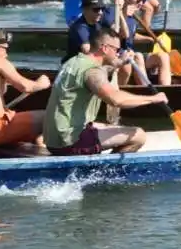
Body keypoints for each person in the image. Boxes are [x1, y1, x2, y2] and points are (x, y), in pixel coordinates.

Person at [43, 27, 170, 155]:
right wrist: (154, 99)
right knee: (139, 135)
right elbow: (116, 100)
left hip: (53, 138)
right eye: (116, 50)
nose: (118, 53)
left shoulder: (73, 61)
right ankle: (107, 167)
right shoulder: (92, 71)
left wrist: (118, 63)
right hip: (69, 141)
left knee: (110, 127)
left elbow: (99, 72)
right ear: (105, 48)